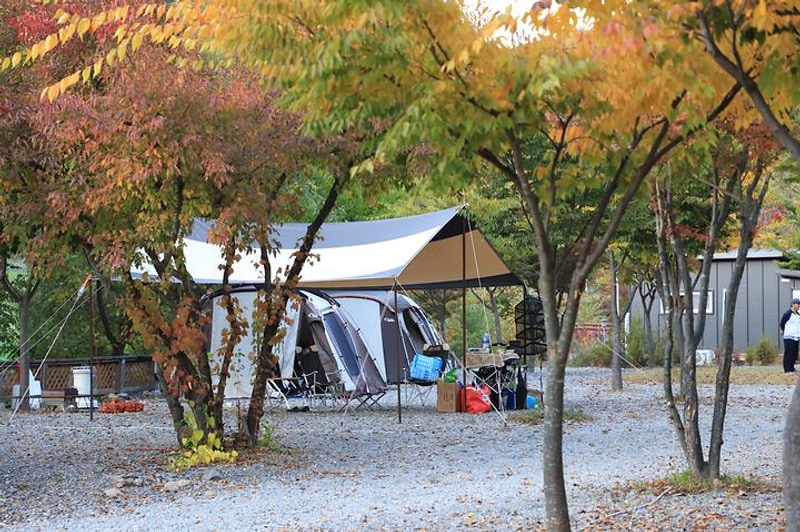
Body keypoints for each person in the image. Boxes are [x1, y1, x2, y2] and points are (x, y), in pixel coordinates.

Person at [780, 298, 800, 373]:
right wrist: (785, 331)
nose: (799, 306)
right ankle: (787, 369)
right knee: (789, 353)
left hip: (796, 337)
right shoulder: (787, 314)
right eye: (797, 304)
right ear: (792, 304)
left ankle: (791, 368)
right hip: (789, 337)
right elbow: (782, 324)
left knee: (794, 354)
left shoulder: (798, 315)